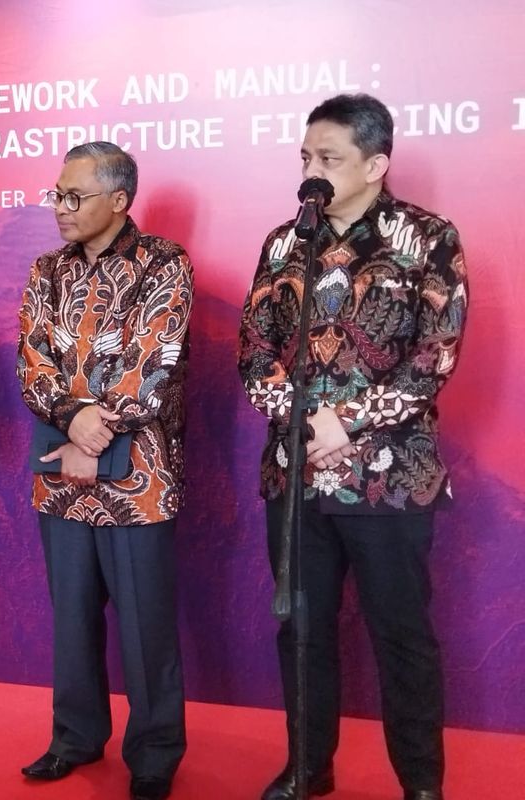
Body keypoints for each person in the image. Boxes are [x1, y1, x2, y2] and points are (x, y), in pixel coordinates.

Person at [238, 93, 467, 800]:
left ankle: (421, 784)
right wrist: (306, 422)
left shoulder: (428, 238)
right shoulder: (283, 243)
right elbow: (253, 351)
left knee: (402, 637)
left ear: (376, 163)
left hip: (391, 479)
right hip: (295, 474)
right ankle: (309, 766)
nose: (311, 170)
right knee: (301, 633)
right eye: (306, 156)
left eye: (329, 158)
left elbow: (435, 355)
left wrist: (350, 424)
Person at [16, 141, 193, 800]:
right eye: (57, 194)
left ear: (119, 201)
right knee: (72, 619)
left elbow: (156, 358)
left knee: (146, 626)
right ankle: (75, 736)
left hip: (138, 478)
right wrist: (73, 422)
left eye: (74, 196)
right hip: (59, 471)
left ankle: (154, 753)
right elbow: (32, 362)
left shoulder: (164, 265)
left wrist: (97, 434)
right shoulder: (45, 271)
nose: (60, 207)